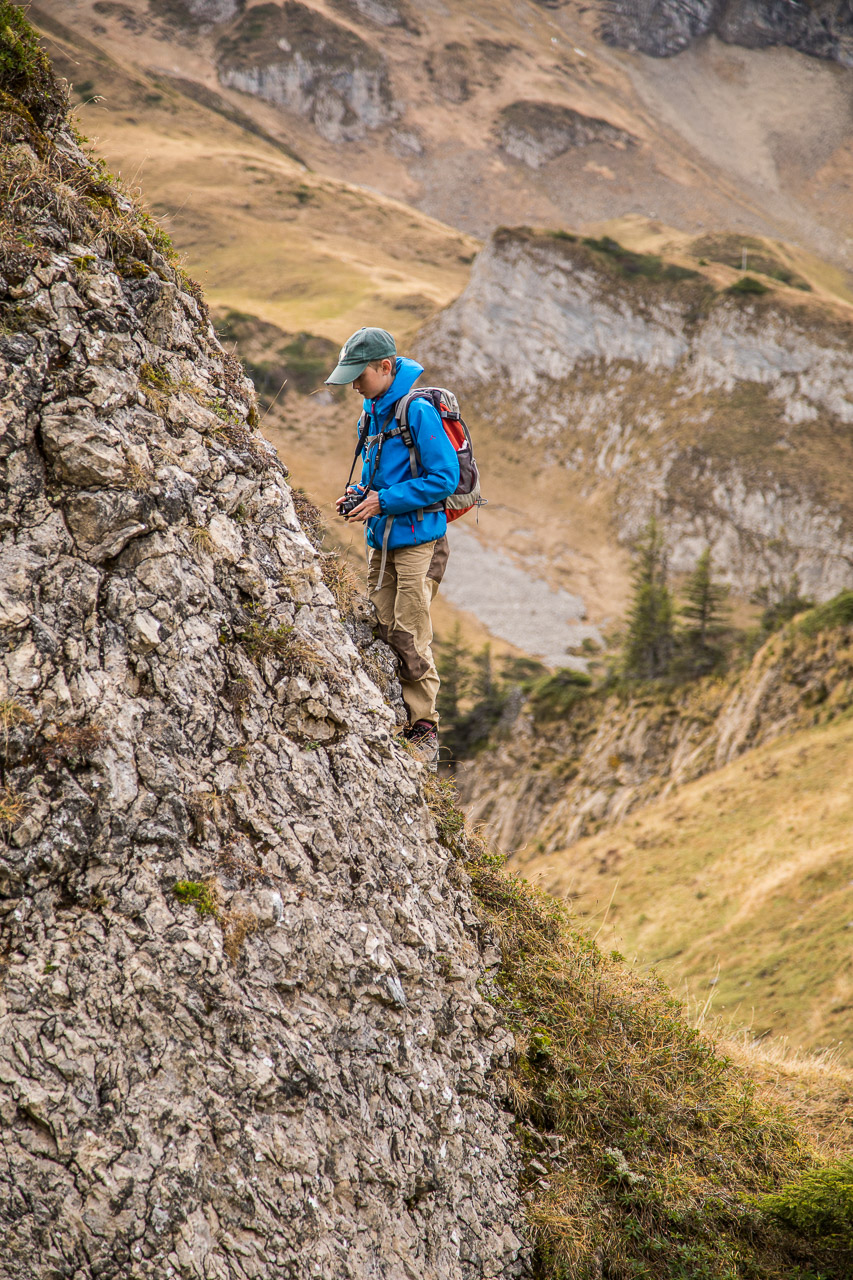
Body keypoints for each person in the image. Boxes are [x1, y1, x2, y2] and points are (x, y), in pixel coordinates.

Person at [327, 326, 459, 767]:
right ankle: (397, 716)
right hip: (381, 541)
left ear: (385, 367)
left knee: (409, 630)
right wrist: (360, 494)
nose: (353, 386)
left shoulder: (417, 412)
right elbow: (377, 478)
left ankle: (424, 727)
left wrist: (382, 501)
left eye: (359, 376)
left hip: (421, 541)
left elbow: (444, 479)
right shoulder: (370, 414)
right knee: (383, 626)